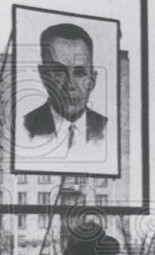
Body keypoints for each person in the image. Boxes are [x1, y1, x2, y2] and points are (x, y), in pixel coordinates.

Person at [22, 23, 108, 159]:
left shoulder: (108, 130)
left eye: (79, 72)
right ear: (43, 76)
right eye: (58, 72)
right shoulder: (25, 128)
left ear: (93, 79)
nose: (70, 84)